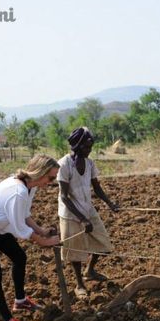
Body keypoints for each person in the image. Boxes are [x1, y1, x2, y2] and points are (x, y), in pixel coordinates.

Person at [0, 154, 61, 321]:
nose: (51, 182)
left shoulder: (29, 187)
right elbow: (19, 228)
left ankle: (20, 301)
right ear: (39, 172)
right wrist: (44, 241)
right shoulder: (17, 192)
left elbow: (24, 215)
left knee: (19, 257)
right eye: (50, 177)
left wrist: (41, 231)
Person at [57, 127, 119, 298]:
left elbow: (97, 187)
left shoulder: (90, 163)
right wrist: (83, 219)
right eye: (86, 147)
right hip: (71, 213)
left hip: (87, 208)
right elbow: (64, 197)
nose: (89, 150)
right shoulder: (64, 164)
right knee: (75, 252)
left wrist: (110, 204)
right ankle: (79, 284)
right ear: (77, 146)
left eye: (90, 147)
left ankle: (89, 271)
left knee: (104, 243)